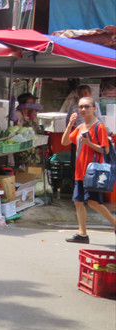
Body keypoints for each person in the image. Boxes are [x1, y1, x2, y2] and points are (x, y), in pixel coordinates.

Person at [60, 96, 116, 243]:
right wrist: (70, 125)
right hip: (80, 171)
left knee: (93, 202)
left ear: (94, 108)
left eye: (87, 106)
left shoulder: (99, 126)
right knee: (78, 202)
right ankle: (82, 234)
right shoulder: (80, 127)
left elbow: (105, 150)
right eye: (81, 107)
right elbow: (65, 141)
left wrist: (88, 143)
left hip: (93, 172)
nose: (83, 109)